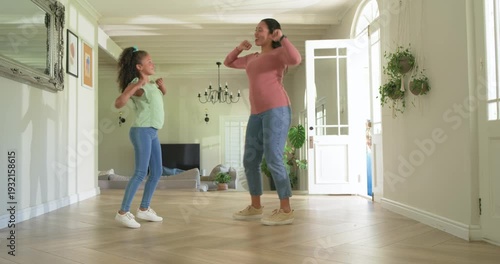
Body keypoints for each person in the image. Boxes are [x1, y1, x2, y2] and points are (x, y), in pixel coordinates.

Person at [224, 18, 301, 225]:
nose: (256, 33)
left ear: (272, 33)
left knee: (273, 157)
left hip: (277, 109)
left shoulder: (279, 54)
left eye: (260, 30)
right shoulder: (252, 58)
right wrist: (239, 48)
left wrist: (282, 39)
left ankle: (286, 210)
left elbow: (295, 59)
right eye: (255, 30)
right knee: (250, 160)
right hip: (256, 114)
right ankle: (256, 206)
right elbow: (228, 62)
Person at [114, 46, 167, 228]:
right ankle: (123, 212)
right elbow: (119, 102)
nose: (152, 64)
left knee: (157, 171)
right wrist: (135, 86)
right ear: (139, 67)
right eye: (149, 62)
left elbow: (158, 100)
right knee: (140, 172)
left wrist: (162, 88)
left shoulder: (151, 85)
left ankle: (144, 209)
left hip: (152, 132)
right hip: (141, 131)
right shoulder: (137, 83)